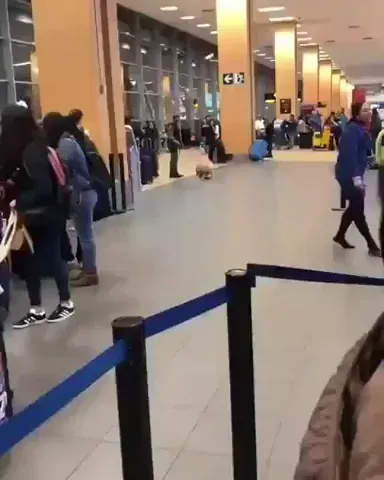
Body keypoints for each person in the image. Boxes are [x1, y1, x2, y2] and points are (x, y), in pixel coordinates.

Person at [0, 104, 75, 328]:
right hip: (34, 216)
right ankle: (36, 308)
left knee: (52, 258)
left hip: (46, 214)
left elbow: (42, 188)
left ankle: (66, 303)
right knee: (30, 263)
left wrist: (16, 201)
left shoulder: (32, 150)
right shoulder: (29, 145)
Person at [43, 113, 99, 287]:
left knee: (85, 235)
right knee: (84, 234)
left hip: (81, 192)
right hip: (83, 191)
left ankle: (91, 273)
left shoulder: (65, 144)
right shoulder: (67, 141)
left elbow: (63, 169)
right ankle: (87, 268)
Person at [333, 102, 380, 256]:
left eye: (369, 110)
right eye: (364, 110)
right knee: (358, 210)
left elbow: (363, 151)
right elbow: (349, 155)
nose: (369, 113)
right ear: (357, 114)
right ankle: (372, 245)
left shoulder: (360, 129)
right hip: (348, 174)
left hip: (354, 174)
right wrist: (356, 178)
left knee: (354, 207)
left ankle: (340, 236)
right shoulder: (352, 130)